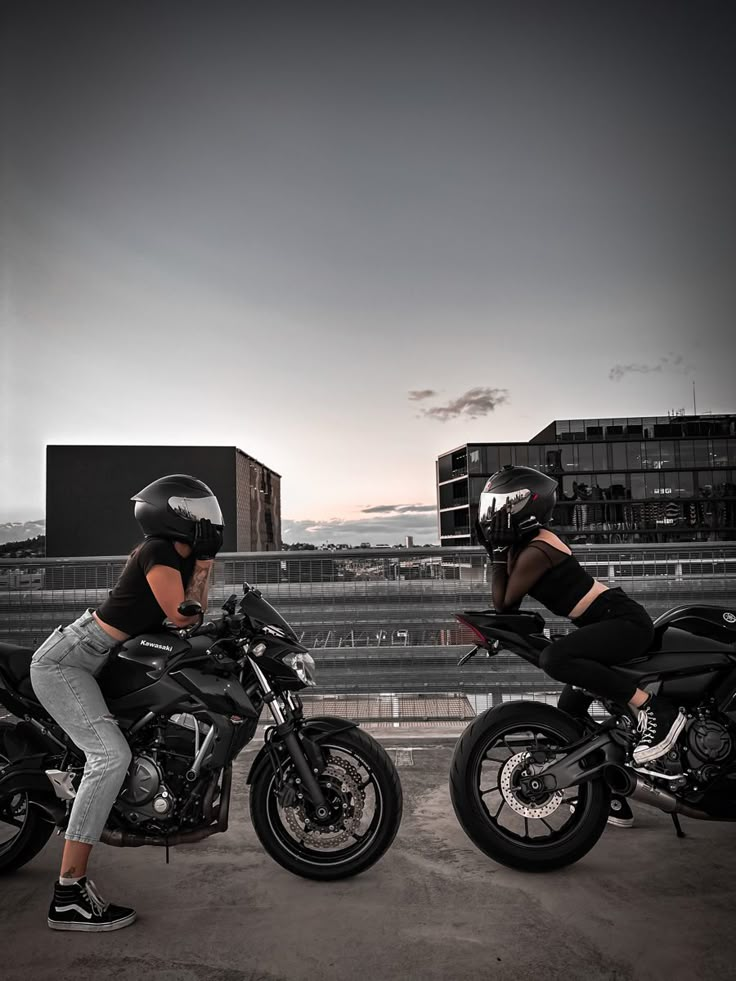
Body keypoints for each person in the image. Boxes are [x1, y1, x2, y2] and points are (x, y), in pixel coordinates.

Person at [30, 474, 224, 932]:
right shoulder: (158, 550)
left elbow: (192, 610)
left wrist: (203, 562)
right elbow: (182, 616)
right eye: (201, 515)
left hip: (95, 659)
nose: (210, 522)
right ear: (172, 515)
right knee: (109, 756)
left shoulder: (177, 556)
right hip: (70, 662)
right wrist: (207, 561)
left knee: (131, 742)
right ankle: (68, 895)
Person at [475, 465, 686, 828]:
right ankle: (614, 795)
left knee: (556, 658)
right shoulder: (522, 546)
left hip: (622, 622)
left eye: (500, 506)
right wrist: (498, 549)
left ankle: (653, 708)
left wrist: (494, 552)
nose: (494, 515)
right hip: (600, 623)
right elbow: (504, 602)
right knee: (571, 712)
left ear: (525, 505)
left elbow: (505, 604)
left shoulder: (539, 548)